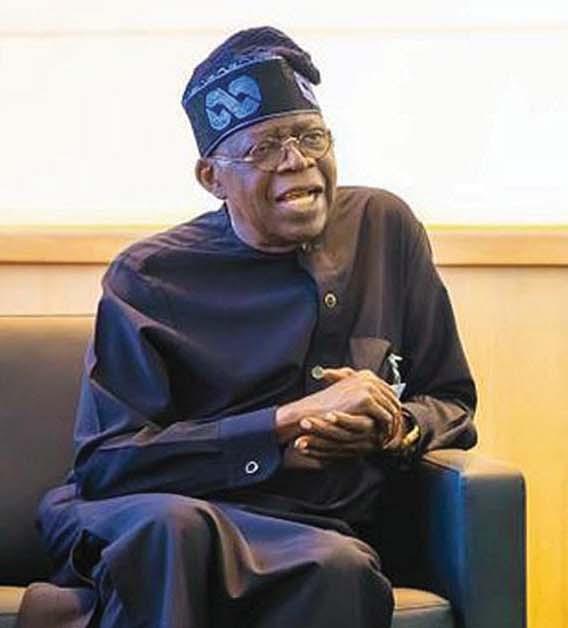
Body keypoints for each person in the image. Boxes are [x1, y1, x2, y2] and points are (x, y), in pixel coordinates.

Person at [24, 26, 477, 628]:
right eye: (265, 148)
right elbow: (108, 464)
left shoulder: (383, 227)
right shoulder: (150, 274)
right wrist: (282, 423)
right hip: (154, 510)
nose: (298, 161)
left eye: (311, 137)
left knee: (339, 565)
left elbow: (452, 401)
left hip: (309, 525)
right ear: (212, 177)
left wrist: (392, 428)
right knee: (172, 531)